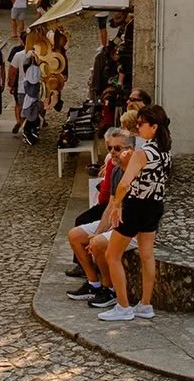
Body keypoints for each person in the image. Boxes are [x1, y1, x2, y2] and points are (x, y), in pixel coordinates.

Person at [91, 104, 173, 321]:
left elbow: (125, 183)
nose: (138, 127)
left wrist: (117, 205)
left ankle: (123, 306)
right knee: (147, 255)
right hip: (155, 206)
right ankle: (145, 304)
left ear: (153, 127)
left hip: (137, 206)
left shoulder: (143, 153)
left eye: (141, 124)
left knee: (112, 254)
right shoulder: (165, 152)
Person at [65, 129, 134, 290]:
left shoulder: (134, 172)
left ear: (130, 149)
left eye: (118, 148)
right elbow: (110, 205)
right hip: (117, 219)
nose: (112, 153)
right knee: (75, 235)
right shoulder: (116, 170)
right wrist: (98, 232)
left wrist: (99, 235)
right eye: (110, 148)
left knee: (97, 243)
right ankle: (93, 283)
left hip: (131, 224)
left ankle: (108, 287)